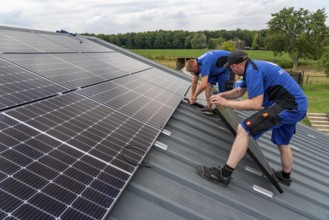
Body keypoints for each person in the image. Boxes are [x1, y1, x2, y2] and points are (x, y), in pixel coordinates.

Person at [196, 50, 308, 187]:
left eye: (230, 68)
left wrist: (226, 103)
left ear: (235, 66)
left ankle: (224, 175)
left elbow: (256, 104)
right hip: (297, 105)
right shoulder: (253, 67)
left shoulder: (253, 72)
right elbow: (239, 91)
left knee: (244, 129)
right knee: (283, 142)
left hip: (289, 106)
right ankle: (285, 177)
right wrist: (222, 95)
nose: (231, 70)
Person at [185, 50, 232, 115]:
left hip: (225, 64)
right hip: (214, 66)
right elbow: (194, 82)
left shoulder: (204, 64)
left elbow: (203, 84)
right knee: (207, 83)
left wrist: (195, 95)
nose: (194, 72)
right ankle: (209, 108)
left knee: (222, 92)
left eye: (193, 71)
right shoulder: (196, 63)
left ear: (195, 66)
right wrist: (192, 97)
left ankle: (225, 112)